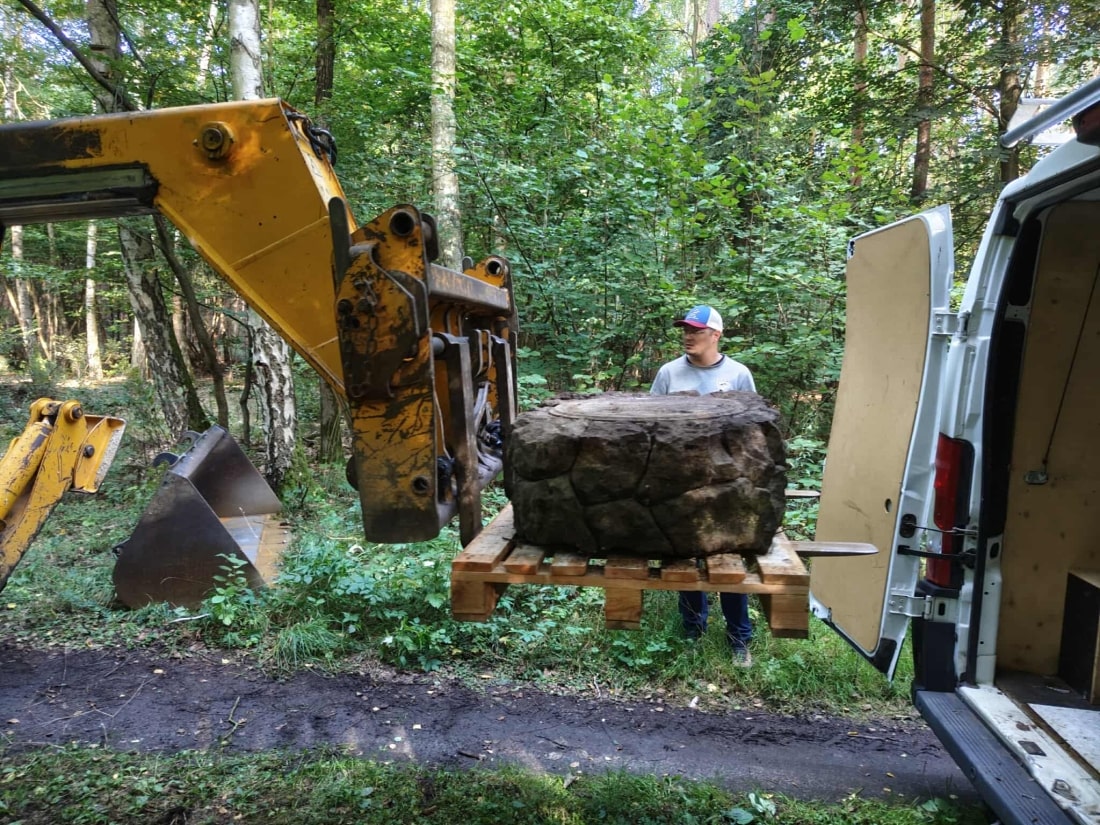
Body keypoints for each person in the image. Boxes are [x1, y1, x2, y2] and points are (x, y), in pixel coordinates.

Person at [650, 304, 755, 667]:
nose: (688, 336)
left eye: (696, 330)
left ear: (716, 335)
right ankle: (693, 632)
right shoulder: (669, 373)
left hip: (726, 486)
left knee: (728, 561)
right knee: (685, 559)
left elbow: (751, 430)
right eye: (685, 329)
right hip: (680, 483)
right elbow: (649, 423)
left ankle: (739, 639)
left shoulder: (738, 375)